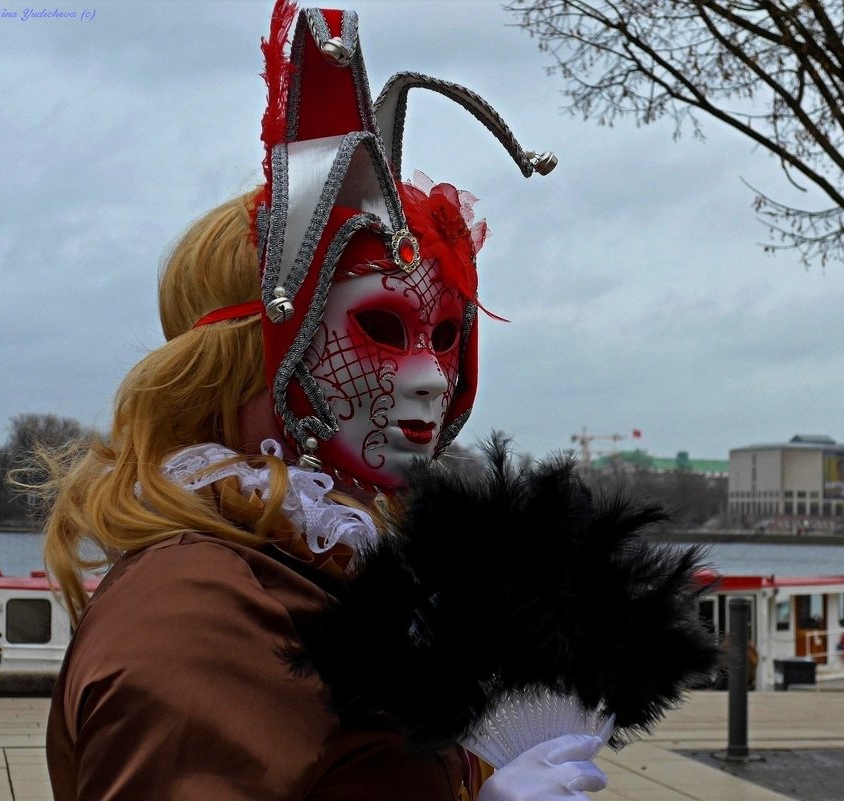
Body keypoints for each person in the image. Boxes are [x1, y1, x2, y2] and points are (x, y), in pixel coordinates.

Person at [40, 4, 608, 800]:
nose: (429, 379)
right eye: (380, 326)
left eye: (445, 338)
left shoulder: (322, 571)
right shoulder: (194, 612)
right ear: (250, 351)